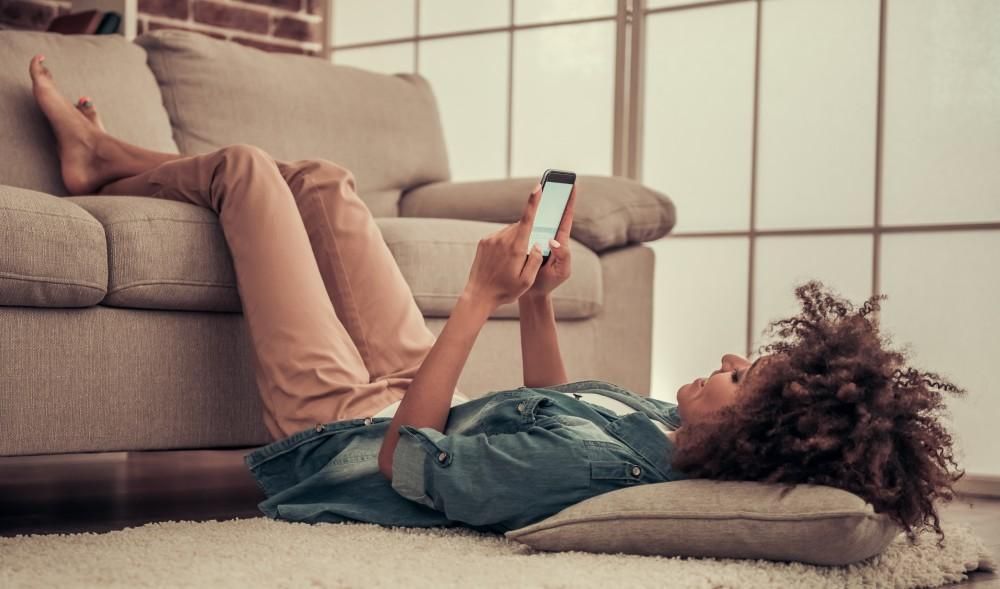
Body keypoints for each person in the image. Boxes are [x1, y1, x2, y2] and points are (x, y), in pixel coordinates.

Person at [28, 54, 965, 542]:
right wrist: (538, 299)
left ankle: (102, 158)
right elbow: (551, 407)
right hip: (412, 393)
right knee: (322, 178)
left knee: (244, 172)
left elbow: (403, 465)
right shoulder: (665, 434)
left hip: (340, 435)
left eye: (742, 375)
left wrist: (476, 299)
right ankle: (106, 158)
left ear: (753, 437)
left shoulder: (598, 483)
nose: (726, 358)